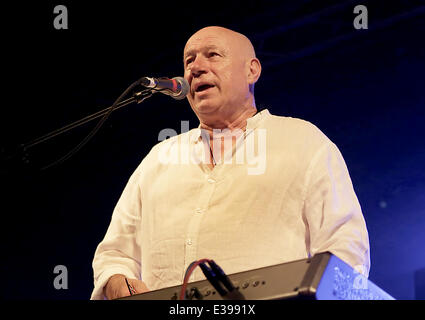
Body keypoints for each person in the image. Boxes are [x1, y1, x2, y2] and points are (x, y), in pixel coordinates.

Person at [90, 26, 370, 300]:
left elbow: (345, 248)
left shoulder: (303, 142)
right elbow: (115, 255)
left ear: (252, 70)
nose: (195, 68)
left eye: (212, 55)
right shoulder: (158, 159)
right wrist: (118, 283)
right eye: (189, 60)